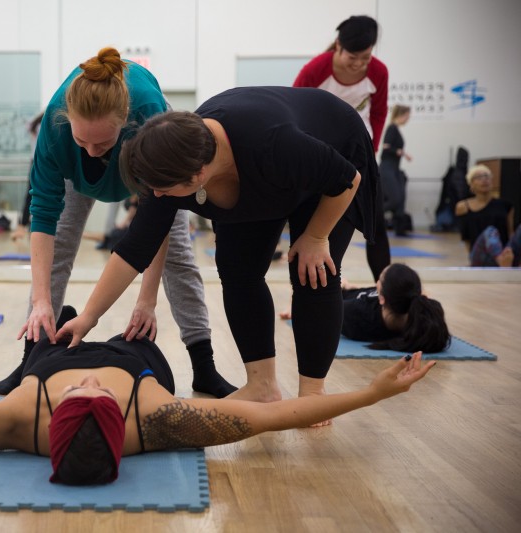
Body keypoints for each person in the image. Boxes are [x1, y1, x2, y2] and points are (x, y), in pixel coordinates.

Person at [56, 87, 382, 427]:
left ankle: (313, 395)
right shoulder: (168, 162)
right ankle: (262, 386)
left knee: (312, 271)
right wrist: (88, 317)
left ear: (197, 177)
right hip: (262, 175)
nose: (155, 195)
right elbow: (134, 248)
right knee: (238, 270)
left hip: (333, 158)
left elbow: (347, 179)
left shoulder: (275, 144)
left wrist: (316, 237)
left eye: (162, 189)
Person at [0, 340, 434, 486]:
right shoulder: (159, 419)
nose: (91, 387)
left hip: (49, 351)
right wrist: (375, 392)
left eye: (86, 397)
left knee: (47, 333)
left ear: (53, 425)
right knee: (141, 335)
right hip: (137, 350)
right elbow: (267, 420)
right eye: (95, 398)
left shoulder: (15, 418)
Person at [0, 47, 235, 399]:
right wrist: (42, 302)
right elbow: (43, 215)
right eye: (82, 141)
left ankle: (204, 366)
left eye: (103, 142)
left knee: (179, 258)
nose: (92, 151)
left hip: (148, 162)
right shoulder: (55, 126)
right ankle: (31, 358)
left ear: (125, 122)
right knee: (59, 244)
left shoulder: (148, 114)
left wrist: (147, 299)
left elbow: (160, 223)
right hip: (75, 176)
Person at [293, 15, 390, 281]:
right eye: (353, 57)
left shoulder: (378, 71)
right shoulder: (315, 69)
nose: (359, 63)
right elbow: (293, 110)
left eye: (366, 57)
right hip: (321, 154)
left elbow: (380, 112)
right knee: (317, 222)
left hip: (360, 152)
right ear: (338, 46)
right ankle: (313, 284)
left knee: (376, 223)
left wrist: (373, 149)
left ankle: (384, 288)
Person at [340, 264, 450, 353]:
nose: (377, 282)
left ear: (382, 299)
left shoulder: (353, 313)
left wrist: (341, 286)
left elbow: (327, 308)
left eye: (380, 280)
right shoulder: (422, 310)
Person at [455, 165, 520, 267]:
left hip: (505, 254)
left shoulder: (506, 205)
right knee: (490, 231)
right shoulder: (462, 206)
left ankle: (505, 261)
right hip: (481, 256)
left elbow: (510, 232)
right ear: (471, 184)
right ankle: (501, 262)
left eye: (487, 176)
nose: (484, 180)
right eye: (479, 177)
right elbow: (465, 236)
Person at [11, 112, 45, 242]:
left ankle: (22, 226)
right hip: (40, 161)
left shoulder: (35, 124)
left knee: (31, 195)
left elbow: (28, 125)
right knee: (32, 195)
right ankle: (22, 226)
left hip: (37, 161)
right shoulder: (42, 124)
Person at [380, 105, 413, 235]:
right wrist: (400, 152)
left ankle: (400, 229)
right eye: (408, 116)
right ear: (402, 114)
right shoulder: (392, 128)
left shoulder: (396, 129)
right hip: (387, 168)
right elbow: (386, 147)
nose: (408, 119)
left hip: (394, 169)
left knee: (400, 200)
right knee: (394, 199)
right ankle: (372, 216)